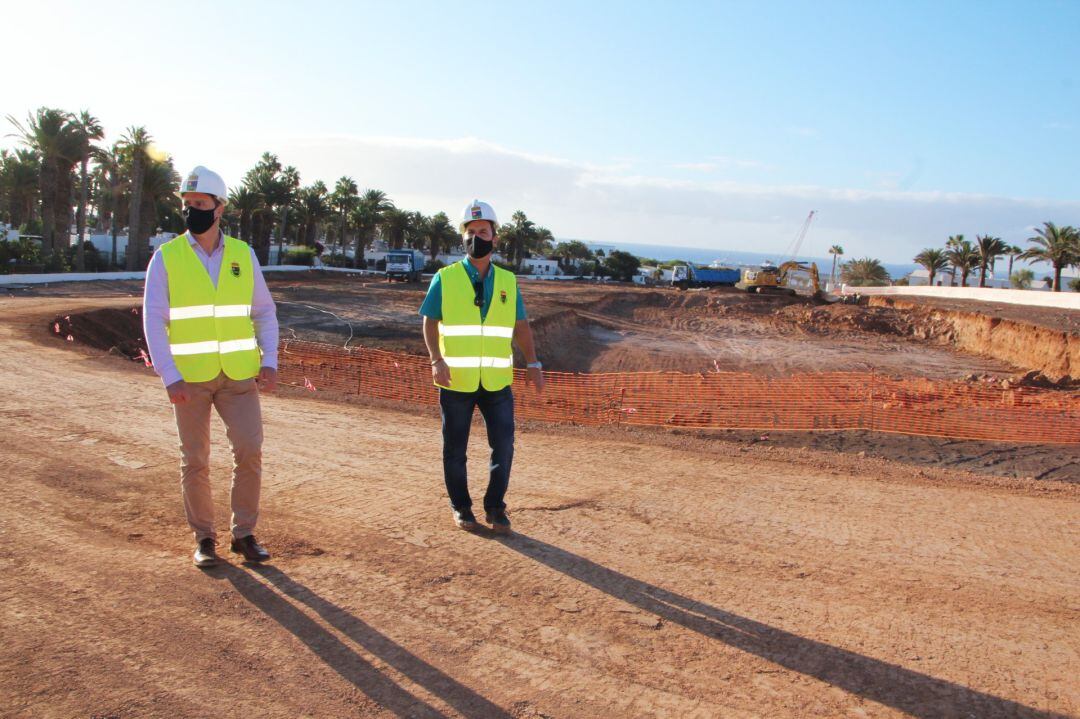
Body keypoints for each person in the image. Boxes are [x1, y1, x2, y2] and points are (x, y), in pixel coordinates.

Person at [142, 166, 279, 568]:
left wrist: (268, 360)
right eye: (187, 204)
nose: (192, 211)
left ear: (220, 208)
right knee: (195, 458)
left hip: (238, 375)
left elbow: (264, 312)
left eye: (201, 204)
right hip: (190, 379)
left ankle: (245, 535)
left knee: (250, 450)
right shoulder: (166, 258)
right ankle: (204, 538)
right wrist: (169, 376)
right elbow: (153, 319)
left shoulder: (243, 255)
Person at [419, 200, 544, 534]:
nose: (477, 237)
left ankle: (495, 507)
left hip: (496, 383)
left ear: (495, 237)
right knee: (455, 449)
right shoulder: (445, 278)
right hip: (455, 380)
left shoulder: (507, 280)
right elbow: (429, 323)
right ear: (463, 239)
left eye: (483, 232)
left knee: (503, 444)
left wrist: (533, 361)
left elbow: (521, 325)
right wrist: (436, 359)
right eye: (471, 232)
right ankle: (462, 508)